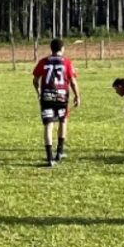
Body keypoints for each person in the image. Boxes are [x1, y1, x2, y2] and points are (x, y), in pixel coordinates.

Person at [32, 38, 81, 167]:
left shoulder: (43, 62)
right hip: (62, 97)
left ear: (51, 49)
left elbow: (35, 79)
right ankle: (59, 151)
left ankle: (49, 158)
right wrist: (77, 96)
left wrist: (38, 92)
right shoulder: (67, 62)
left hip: (47, 97)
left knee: (49, 125)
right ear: (62, 49)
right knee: (63, 121)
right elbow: (73, 82)